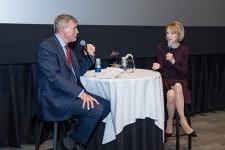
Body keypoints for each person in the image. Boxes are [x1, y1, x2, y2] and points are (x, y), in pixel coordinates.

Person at [37, 14, 111, 149]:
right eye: (75, 28)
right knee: (96, 109)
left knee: (106, 105)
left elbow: (77, 73)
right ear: (63, 29)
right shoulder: (47, 46)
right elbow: (54, 77)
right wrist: (80, 93)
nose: (77, 31)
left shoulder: (69, 50)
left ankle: (72, 137)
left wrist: (90, 56)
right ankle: (72, 142)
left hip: (69, 94)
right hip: (55, 97)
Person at [152, 21, 196, 138]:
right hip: (166, 80)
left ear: (179, 35)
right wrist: (158, 65)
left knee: (172, 94)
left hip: (180, 81)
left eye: (172, 33)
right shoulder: (161, 47)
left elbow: (184, 72)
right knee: (176, 87)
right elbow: (160, 64)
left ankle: (170, 122)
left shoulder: (184, 50)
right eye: (167, 33)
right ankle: (183, 120)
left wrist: (173, 62)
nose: (168, 36)